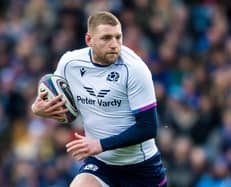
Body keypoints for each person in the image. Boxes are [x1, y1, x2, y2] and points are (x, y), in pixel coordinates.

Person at [31, 11, 167, 187]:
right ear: (89, 40)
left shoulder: (134, 69)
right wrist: (37, 108)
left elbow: (148, 128)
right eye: (106, 38)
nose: (114, 44)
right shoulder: (70, 63)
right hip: (101, 164)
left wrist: (100, 145)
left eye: (118, 37)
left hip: (141, 168)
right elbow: (53, 94)